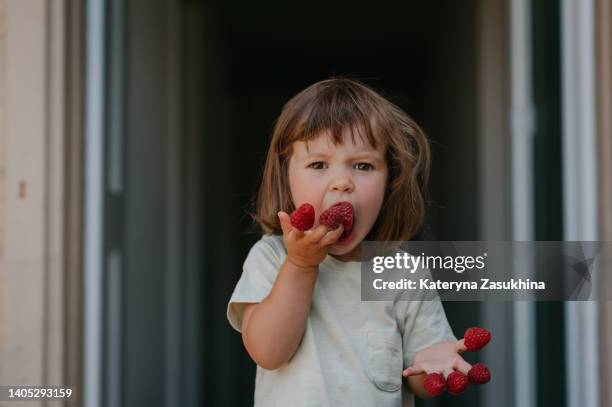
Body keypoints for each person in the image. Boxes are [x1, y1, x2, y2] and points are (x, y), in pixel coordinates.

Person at [226, 78, 472, 406]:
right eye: (318, 165)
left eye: (363, 165)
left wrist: (435, 367)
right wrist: (300, 264)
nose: (342, 182)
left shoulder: (402, 271)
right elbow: (269, 352)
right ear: (287, 175)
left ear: (390, 180)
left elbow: (419, 381)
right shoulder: (271, 256)